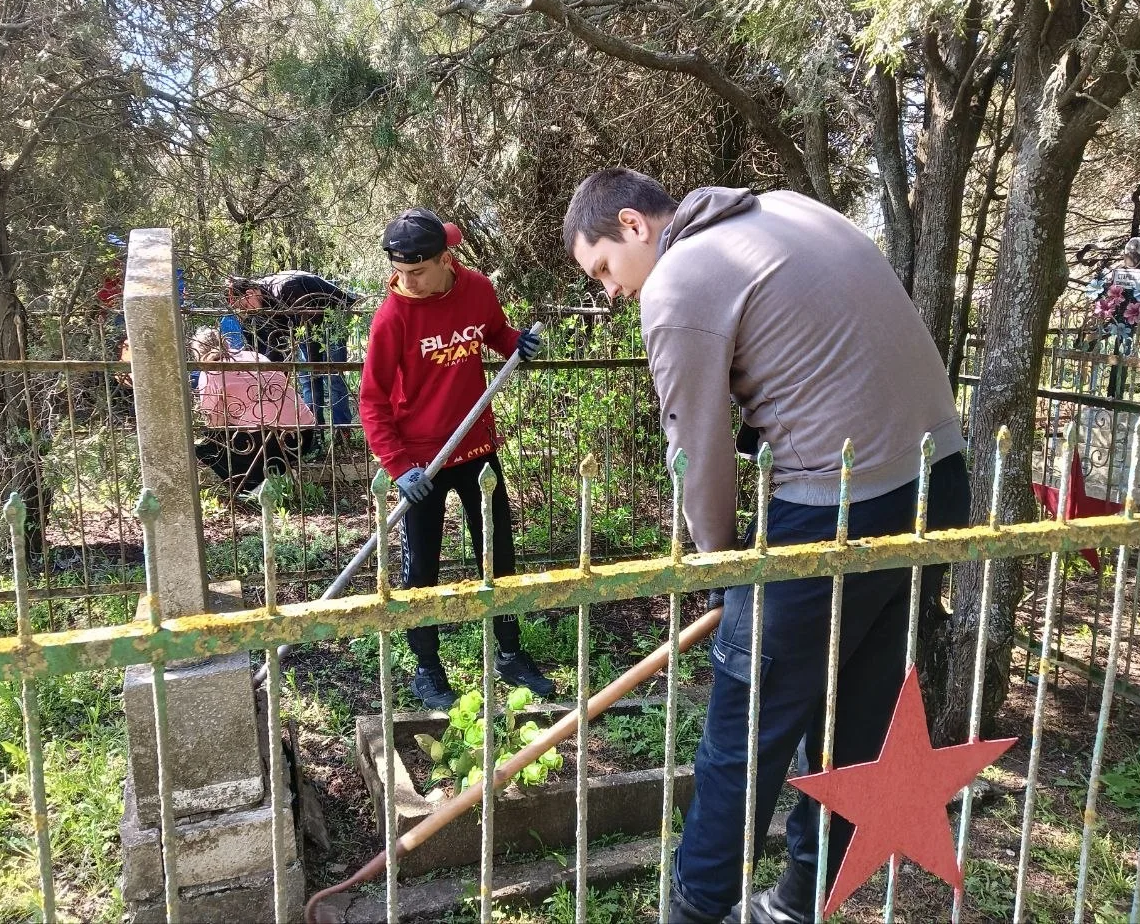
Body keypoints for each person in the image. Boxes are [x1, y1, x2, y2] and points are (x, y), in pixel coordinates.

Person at [562, 169, 971, 924]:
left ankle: (696, 911)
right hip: (937, 484)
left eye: (603, 270)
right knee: (855, 717)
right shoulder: (787, 209)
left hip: (838, 508)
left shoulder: (679, 281)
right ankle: (800, 902)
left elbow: (698, 451)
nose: (610, 293)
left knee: (742, 735)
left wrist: (722, 565)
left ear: (633, 224)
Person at [359, 207, 556, 710]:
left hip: (476, 448)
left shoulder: (477, 290)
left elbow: (494, 333)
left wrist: (518, 344)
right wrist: (398, 466)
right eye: (401, 273)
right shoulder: (393, 317)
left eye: (418, 272)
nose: (407, 282)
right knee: (421, 568)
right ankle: (427, 669)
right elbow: (372, 401)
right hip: (420, 465)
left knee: (500, 556)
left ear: (445, 258)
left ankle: (509, 654)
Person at [226, 271, 358, 437]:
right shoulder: (264, 301)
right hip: (305, 328)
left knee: (331, 376)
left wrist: (314, 365)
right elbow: (276, 342)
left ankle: (342, 430)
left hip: (332, 318)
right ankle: (314, 432)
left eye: (245, 306)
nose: (248, 311)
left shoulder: (285, 288)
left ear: (250, 293)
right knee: (308, 379)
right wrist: (272, 376)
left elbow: (310, 322)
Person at [188, 326, 317, 492]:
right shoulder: (255, 356)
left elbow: (215, 423)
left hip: (267, 440)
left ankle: (253, 486)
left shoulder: (211, 372)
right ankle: (280, 473)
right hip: (302, 434)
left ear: (198, 354)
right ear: (225, 342)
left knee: (208, 447)